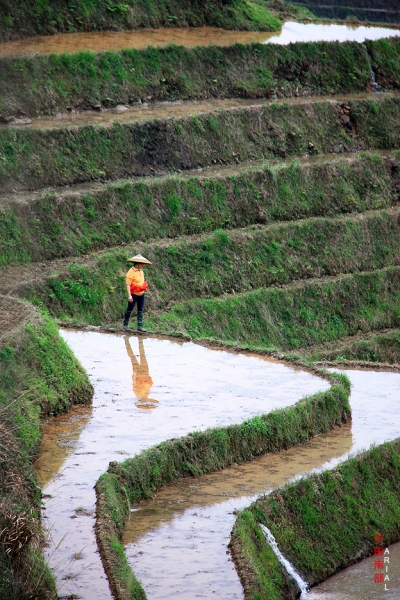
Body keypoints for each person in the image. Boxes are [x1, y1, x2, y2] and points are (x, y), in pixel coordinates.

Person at [123, 254, 152, 332]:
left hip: (141, 294)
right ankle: (125, 324)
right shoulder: (130, 272)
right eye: (141, 264)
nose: (142, 265)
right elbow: (128, 284)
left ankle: (140, 326)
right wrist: (129, 295)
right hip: (133, 294)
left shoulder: (141, 271)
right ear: (138, 264)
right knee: (130, 309)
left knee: (140, 310)